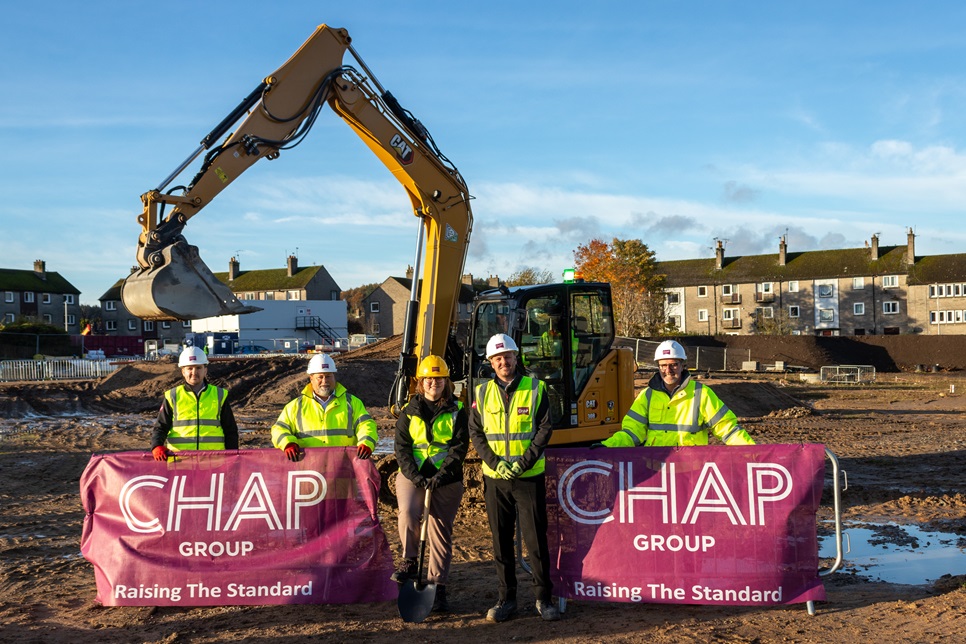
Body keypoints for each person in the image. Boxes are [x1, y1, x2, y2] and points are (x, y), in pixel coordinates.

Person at [469, 333, 561, 623]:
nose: (503, 362)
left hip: (528, 476)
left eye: (507, 356)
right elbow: (476, 433)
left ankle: (543, 599)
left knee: (535, 542)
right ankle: (506, 600)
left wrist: (523, 463)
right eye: (497, 359)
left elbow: (545, 429)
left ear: (516, 357)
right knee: (501, 543)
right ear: (491, 363)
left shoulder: (536, 389)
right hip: (495, 478)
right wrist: (496, 462)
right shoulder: (481, 393)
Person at [392, 354, 468, 613]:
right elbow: (401, 448)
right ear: (420, 382)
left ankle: (438, 585)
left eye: (438, 379)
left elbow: (459, 449)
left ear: (446, 382)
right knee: (409, 512)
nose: (433, 383)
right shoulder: (408, 412)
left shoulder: (458, 411)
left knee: (438, 529)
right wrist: (416, 476)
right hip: (413, 475)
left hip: (446, 478)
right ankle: (410, 561)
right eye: (428, 379)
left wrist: (440, 476)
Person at [599, 340, 755, 448]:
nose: (668, 370)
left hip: (690, 471)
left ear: (682, 365)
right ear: (658, 367)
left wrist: (754, 452)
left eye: (673, 364)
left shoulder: (701, 394)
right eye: (663, 365)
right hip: (656, 468)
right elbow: (631, 432)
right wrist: (607, 446)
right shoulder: (647, 396)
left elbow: (728, 429)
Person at [271, 352, 377, 461]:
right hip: (309, 469)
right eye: (320, 377)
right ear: (311, 378)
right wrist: (288, 443)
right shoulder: (295, 406)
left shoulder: (352, 402)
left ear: (334, 377)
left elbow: (366, 425)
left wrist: (366, 443)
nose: (325, 381)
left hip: (344, 468)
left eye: (328, 376)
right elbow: (279, 429)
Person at [151, 346, 239, 460]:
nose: (194, 372)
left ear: (205, 370)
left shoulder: (219, 395)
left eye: (198, 367)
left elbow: (230, 430)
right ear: (183, 371)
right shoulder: (172, 396)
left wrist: (232, 458)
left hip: (213, 463)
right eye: (189, 368)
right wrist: (156, 446)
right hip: (180, 463)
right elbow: (160, 427)